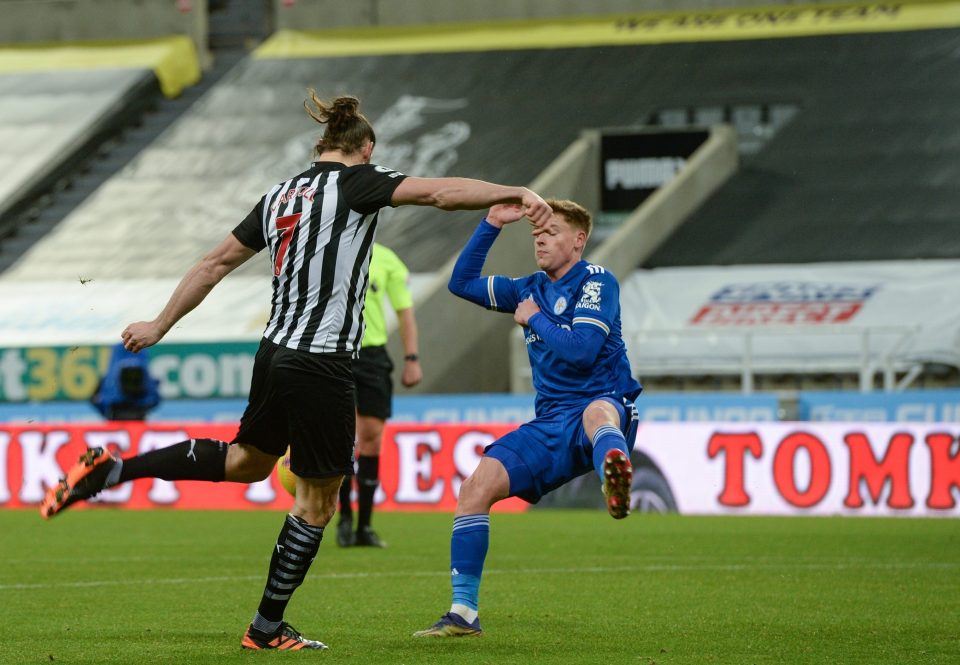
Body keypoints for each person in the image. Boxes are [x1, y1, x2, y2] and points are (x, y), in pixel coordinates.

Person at [40, 92, 551, 651]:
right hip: (323, 360)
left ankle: (114, 470)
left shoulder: (281, 194)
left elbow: (213, 265)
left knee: (246, 463)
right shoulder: (360, 183)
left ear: (322, 145)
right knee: (318, 501)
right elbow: (438, 192)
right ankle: (266, 628)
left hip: (275, 353)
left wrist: (160, 323)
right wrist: (514, 191)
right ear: (366, 149)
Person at [413, 199, 642, 638]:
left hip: (603, 403)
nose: (540, 238)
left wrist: (536, 318)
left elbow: (582, 351)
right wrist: (491, 223)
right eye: (537, 233)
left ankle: (614, 470)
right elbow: (461, 283)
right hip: (551, 421)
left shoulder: (597, 281)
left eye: (552, 232)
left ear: (578, 241)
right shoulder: (527, 287)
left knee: (598, 412)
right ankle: (463, 614)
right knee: (475, 488)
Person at [337, 242, 421, 548]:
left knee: (372, 435)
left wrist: (412, 358)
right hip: (336, 352)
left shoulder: (387, 260)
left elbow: (405, 312)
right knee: (344, 437)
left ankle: (365, 526)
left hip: (372, 355)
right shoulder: (331, 249)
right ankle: (344, 518)